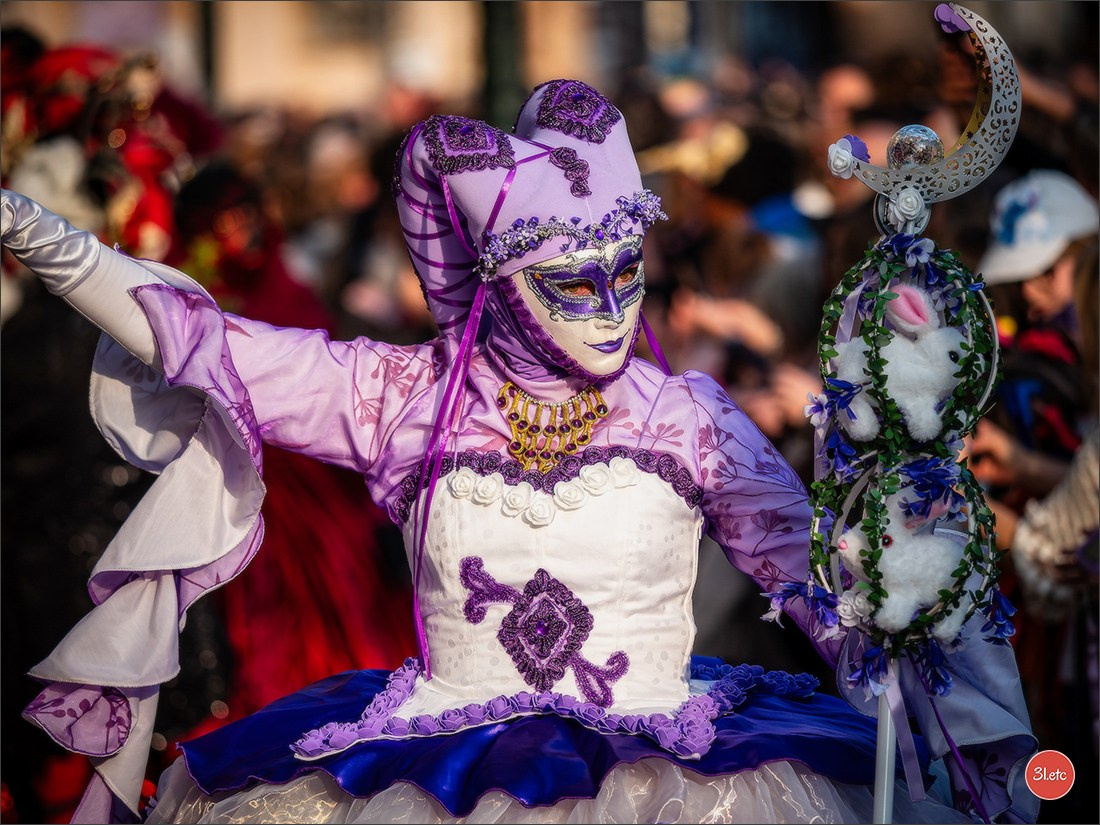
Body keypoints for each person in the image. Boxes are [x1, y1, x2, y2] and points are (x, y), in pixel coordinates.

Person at [2, 80, 1036, 824]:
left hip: (679, 783)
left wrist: (910, 608)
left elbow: (829, 594)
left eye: (626, 270)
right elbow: (209, 344)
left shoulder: (685, 415)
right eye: (572, 282)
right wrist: (51, 245)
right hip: (433, 779)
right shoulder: (403, 399)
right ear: (500, 280)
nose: (611, 307)